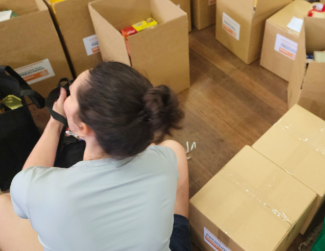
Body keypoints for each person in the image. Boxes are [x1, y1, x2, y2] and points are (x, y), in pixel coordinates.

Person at [0, 62, 191, 251]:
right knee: (175, 148)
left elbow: (29, 176)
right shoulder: (164, 159)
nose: (66, 98)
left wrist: (55, 122)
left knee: (2, 206)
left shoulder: (44, 191)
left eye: (71, 94)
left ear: (83, 126)